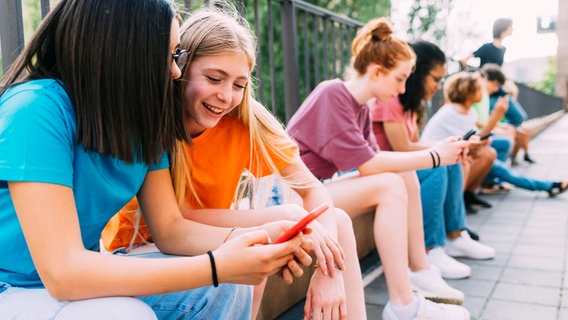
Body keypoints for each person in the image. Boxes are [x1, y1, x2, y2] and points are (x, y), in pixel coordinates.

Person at [0, 1, 312, 319]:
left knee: (228, 285)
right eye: (169, 56)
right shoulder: (35, 110)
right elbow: (64, 272)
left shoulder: (143, 123)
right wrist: (217, 265)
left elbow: (170, 228)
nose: (176, 71)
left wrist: (253, 241)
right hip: (13, 289)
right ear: (125, 51)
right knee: (126, 314)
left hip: (71, 286)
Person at [102, 7, 364, 320]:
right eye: (214, 78)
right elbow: (174, 223)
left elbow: (312, 190)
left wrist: (328, 272)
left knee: (337, 221)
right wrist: (283, 216)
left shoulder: (245, 123)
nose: (226, 96)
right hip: (139, 252)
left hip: (205, 240)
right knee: (252, 252)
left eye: (239, 85)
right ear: (179, 67)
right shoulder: (156, 119)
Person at [287, 17, 471, 320]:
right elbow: (371, 165)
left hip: (315, 190)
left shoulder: (358, 105)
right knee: (390, 185)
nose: (402, 90)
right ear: (376, 71)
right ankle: (403, 305)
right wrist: (436, 156)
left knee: (401, 175)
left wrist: (440, 151)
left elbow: (376, 158)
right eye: (399, 79)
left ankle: (418, 271)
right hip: (293, 197)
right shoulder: (332, 94)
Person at [370, 40, 495, 281]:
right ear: (419, 74)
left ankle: (455, 236)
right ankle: (430, 248)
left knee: (449, 158)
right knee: (436, 165)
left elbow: (414, 144)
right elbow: (403, 148)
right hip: (384, 167)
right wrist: (444, 149)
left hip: (396, 165)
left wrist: (456, 144)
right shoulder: (391, 100)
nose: (439, 86)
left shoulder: (410, 104)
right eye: (435, 79)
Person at [421, 71, 568, 198]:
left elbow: (475, 139)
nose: (483, 93)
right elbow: (470, 142)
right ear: (469, 91)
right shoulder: (453, 112)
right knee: (494, 160)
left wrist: (487, 135)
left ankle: (546, 185)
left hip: (458, 159)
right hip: (441, 165)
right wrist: (496, 117)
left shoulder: (468, 111)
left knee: (495, 158)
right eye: (479, 89)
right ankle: (547, 186)